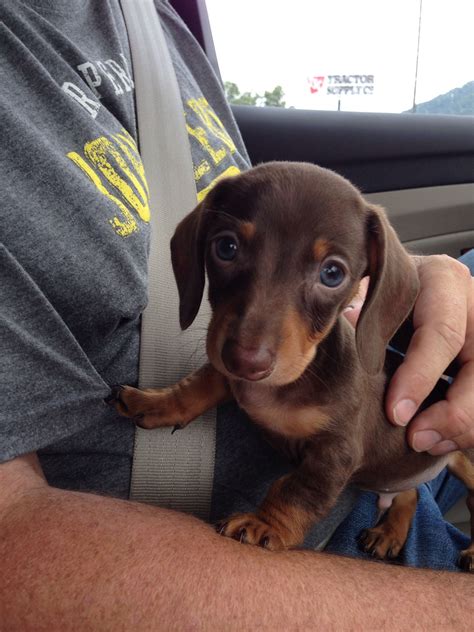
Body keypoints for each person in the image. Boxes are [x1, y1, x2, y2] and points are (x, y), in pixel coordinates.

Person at [1, 1, 473, 629]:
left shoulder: (151, 22)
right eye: (227, 248)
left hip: (404, 453)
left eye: (332, 273)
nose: (250, 347)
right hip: (316, 562)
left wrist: (414, 286)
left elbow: (293, 242)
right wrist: (278, 514)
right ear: (200, 252)